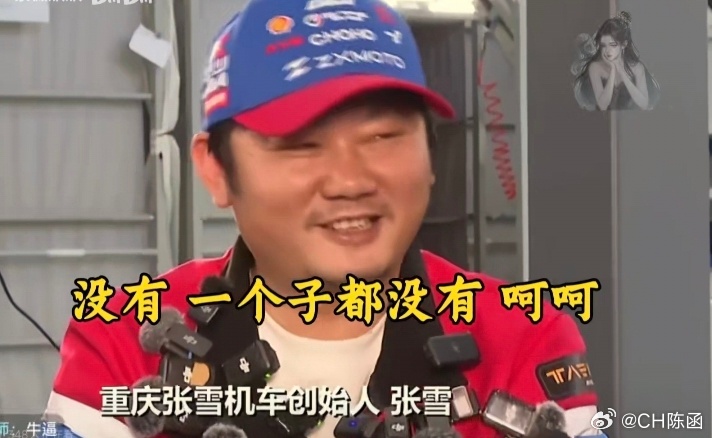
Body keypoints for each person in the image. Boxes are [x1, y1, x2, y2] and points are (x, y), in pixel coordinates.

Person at [45, 0, 606, 437]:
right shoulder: (124, 340)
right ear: (216, 170)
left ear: (431, 157)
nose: (350, 180)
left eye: (383, 136)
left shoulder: (522, 336)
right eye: (301, 144)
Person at [572, 11, 661, 111]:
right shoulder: (594, 70)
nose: (607, 50)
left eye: (613, 45)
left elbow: (647, 103)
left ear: (624, 44)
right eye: (603, 45)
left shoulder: (637, 69)